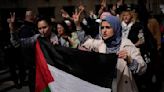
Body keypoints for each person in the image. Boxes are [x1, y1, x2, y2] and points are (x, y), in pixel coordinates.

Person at [79, 15, 147, 92]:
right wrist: (78, 24)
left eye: (108, 27)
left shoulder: (127, 45)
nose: (104, 31)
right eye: (102, 27)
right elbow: (84, 41)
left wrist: (129, 60)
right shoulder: (101, 44)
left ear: (116, 28)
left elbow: (143, 69)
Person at [8, 13, 58, 91]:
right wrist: (12, 29)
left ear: (50, 26)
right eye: (40, 28)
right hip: (38, 75)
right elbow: (17, 43)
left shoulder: (59, 38)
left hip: (55, 77)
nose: (42, 31)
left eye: (45, 27)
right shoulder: (36, 39)